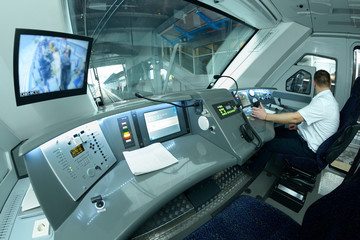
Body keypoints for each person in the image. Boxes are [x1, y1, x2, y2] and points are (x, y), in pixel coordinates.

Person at [249, 70, 340, 172]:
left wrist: (265, 116)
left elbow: (295, 118)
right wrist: (299, 127)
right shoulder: (329, 100)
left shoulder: (323, 102)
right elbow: (315, 122)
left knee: (269, 144)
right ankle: (257, 158)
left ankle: (252, 170)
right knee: (274, 133)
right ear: (330, 83)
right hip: (306, 138)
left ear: (314, 83)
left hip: (309, 148)